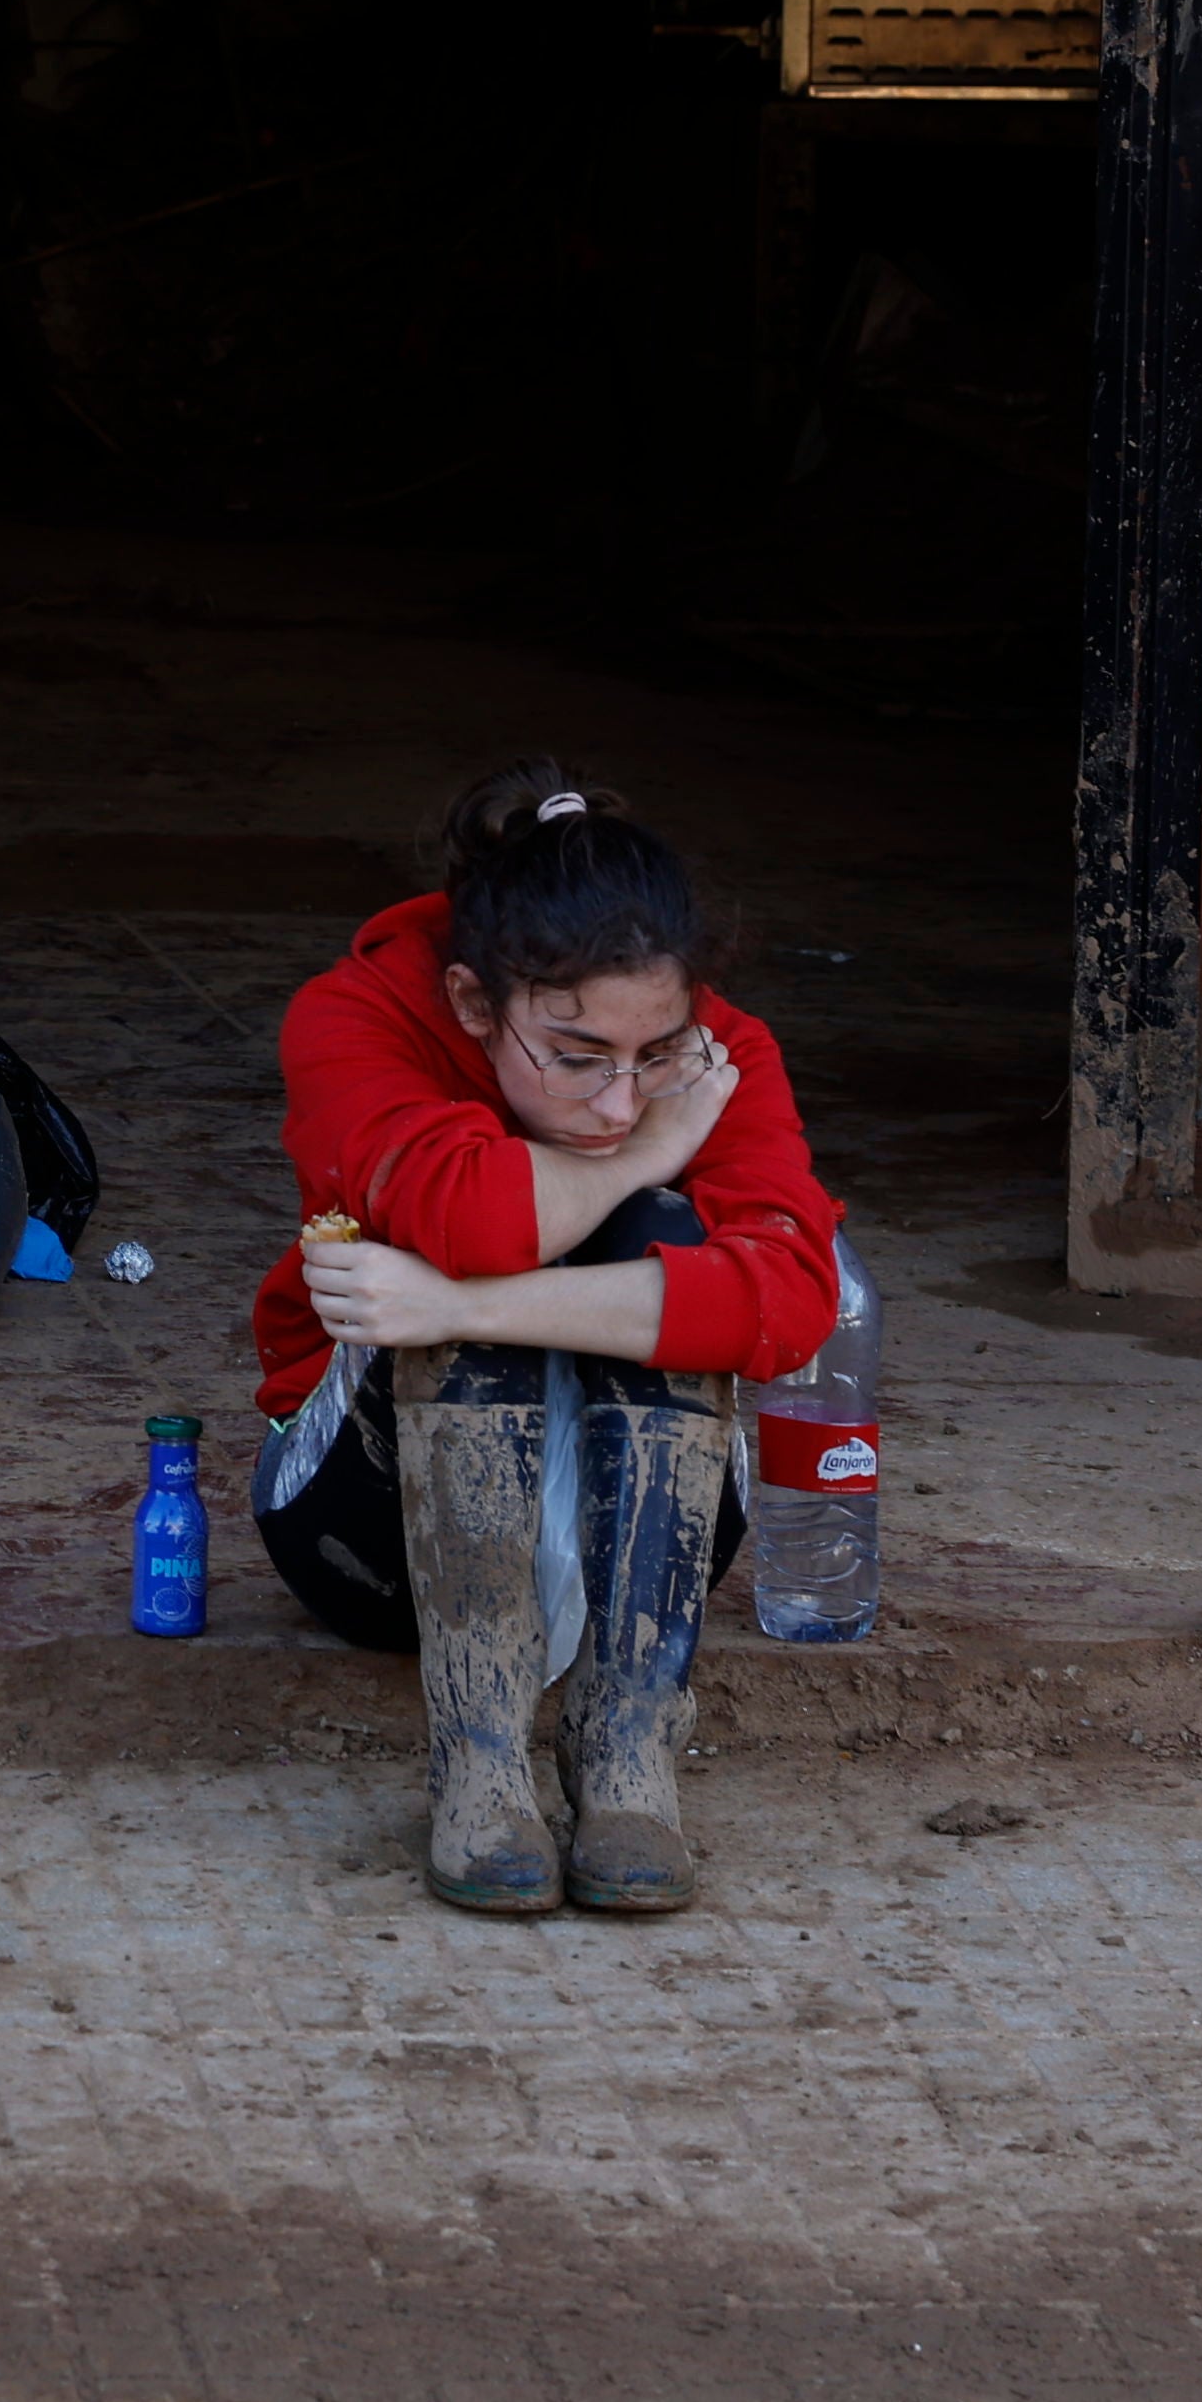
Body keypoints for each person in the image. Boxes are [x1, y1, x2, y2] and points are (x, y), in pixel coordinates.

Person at [250, 763, 842, 1915]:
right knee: (500, 1242)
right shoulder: (357, 1014)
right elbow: (469, 1218)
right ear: (478, 1004)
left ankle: (627, 1751)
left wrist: (463, 1306)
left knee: (630, 1243)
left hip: (642, 1546)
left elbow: (790, 1300)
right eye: (575, 1056)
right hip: (369, 1546)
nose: (623, 1098)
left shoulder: (721, 1050)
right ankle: (477, 1754)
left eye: (654, 1055)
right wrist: (644, 1158)